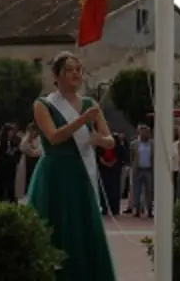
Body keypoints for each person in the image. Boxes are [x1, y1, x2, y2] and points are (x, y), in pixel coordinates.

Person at [27, 52, 116, 281]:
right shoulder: (43, 105)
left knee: (81, 229)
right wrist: (82, 120)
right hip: (54, 174)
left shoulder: (90, 104)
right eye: (69, 69)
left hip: (80, 174)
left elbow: (110, 140)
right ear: (56, 76)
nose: (76, 73)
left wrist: (100, 140)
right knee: (54, 227)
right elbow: (54, 137)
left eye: (78, 69)